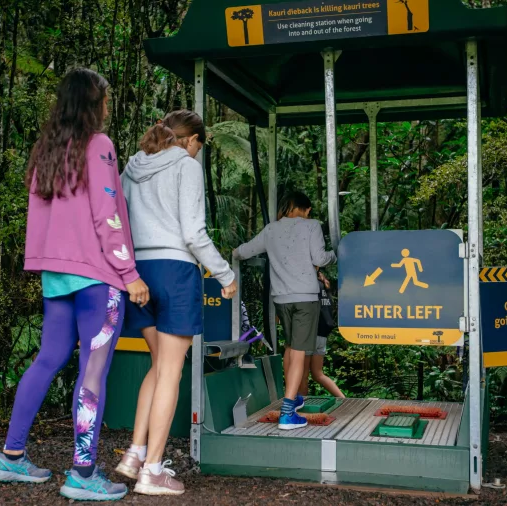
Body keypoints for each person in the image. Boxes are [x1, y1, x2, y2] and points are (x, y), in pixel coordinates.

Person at [0, 68, 149, 502]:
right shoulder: (99, 145)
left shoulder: (47, 149)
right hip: (98, 274)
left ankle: (11, 456)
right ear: (94, 103)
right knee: (93, 369)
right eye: (106, 99)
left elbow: (41, 216)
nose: (109, 107)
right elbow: (107, 214)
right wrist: (129, 273)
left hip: (56, 274)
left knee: (47, 359)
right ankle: (82, 472)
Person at [114, 110, 237, 496]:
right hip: (174, 270)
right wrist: (225, 274)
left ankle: (135, 454)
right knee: (171, 372)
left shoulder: (131, 168)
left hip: (137, 273)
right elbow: (193, 232)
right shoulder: (186, 166)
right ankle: (152, 470)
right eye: (201, 144)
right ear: (192, 140)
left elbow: (117, 221)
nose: (200, 152)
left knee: (158, 365)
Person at [233, 191, 336, 430]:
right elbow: (320, 257)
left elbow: (242, 252)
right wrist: (335, 255)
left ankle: (293, 399)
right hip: (305, 297)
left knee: (291, 345)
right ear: (305, 208)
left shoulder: (271, 230)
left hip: (281, 297)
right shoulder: (311, 226)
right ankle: (288, 412)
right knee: (299, 350)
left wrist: (231, 255)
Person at [298, 275, 345, 399]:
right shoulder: (324, 285)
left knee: (303, 375)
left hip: (310, 333)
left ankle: (301, 404)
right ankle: (343, 399)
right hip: (322, 335)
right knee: (318, 374)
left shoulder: (310, 285)